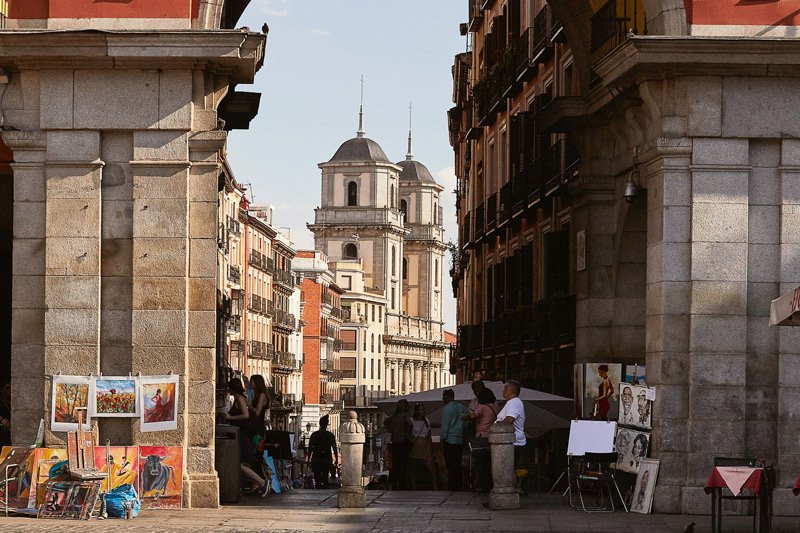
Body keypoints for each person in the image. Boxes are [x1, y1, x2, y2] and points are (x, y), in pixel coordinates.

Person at [223, 378, 267, 496]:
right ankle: (256, 483)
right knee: (241, 463)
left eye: (229, 388)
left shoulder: (240, 399)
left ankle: (262, 482)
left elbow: (246, 415)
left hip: (242, 436)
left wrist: (230, 418)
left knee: (240, 463)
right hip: (240, 435)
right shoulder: (239, 398)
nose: (228, 390)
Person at [408, 403, 438, 490]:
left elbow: (429, 435)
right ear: (417, 411)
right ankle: (413, 488)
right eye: (421, 410)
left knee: (431, 469)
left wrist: (431, 447)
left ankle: (435, 488)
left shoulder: (427, 421)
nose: (423, 411)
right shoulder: (411, 421)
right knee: (414, 470)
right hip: (416, 446)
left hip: (425, 446)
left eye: (424, 410)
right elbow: (409, 434)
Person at [440, 389, 466, 491]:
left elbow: (445, 425)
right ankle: (457, 485)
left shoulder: (447, 409)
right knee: (457, 464)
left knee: (450, 465)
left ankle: (452, 486)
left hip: (450, 439)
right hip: (459, 439)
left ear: (447, 396)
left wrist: (443, 438)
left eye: (443, 396)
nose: (442, 398)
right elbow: (466, 422)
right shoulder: (462, 407)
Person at [497, 379, 526, 467]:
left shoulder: (514, 402)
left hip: (512, 442)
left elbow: (510, 420)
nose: (503, 391)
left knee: (507, 469)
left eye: (506, 388)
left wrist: (498, 423)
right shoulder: (511, 402)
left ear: (512, 390)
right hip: (508, 441)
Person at [384, 399, 411, 490]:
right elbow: (410, 426)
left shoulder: (393, 416)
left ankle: (395, 484)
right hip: (403, 443)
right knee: (404, 465)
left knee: (395, 465)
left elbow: (386, 422)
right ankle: (403, 485)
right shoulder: (406, 416)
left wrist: (391, 429)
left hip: (395, 443)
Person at [307, 415, 338, 489]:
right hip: (326, 459)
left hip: (316, 459)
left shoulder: (314, 435)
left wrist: (308, 459)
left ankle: (318, 492)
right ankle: (324, 491)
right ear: (327, 424)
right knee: (325, 477)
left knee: (317, 479)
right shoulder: (330, 435)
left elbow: (310, 448)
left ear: (320, 423)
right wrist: (336, 459)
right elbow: (334, 448)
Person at [249, 375, 269, 439]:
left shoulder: (262, 395)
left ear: (257, 383)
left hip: (258, 426)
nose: (250, 384)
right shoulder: (256, 394)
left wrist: (249, 406)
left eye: (252, 382)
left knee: (257, 446)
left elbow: (257, 412)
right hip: (256, 425)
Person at [0, 381, 11, 447]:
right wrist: (2, 420)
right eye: (7, 388)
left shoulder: (8, 401)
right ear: (1, 390)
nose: (10, 390)